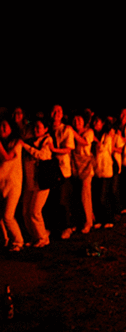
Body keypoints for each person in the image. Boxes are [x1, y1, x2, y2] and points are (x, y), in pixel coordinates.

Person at [21, 118, 53, 247]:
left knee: (35, 211)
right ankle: (35, 236)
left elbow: (43, 155)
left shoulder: (47, 140)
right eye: (34, 127)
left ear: (45, 129)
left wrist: (26, 147)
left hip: (42, 181)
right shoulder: (31, 140)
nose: (35, 129)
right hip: (30, 181)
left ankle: (43, 237)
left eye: (39, 127)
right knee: (26, 211)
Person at [49, 105, 76, 240]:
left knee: (63, 200)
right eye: (54, 110)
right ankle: (54, 226)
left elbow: (68, 149)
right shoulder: (47, 128)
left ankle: (67, 226)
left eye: (59, 111)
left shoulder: (66, 129)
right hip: (49, 169)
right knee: (52, 200)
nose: (57, 113)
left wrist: (53, 150)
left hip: (63, 169)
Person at [0, 119, 24, 251]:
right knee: (1, 216)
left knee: (8, 216)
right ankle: (5, 239)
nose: (2, 129)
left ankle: (18, 241)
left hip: (14, 184)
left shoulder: (17, 143)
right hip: (2, 184)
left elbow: (7, 158)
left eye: (5, 126)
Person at [92, 116, 117, 229]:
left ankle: (109, 218)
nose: (96, 123)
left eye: (98, 122)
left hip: (106, 169)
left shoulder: (107, 136)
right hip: (96, 169)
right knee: (97, 196)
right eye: (95, 121)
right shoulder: (94, 135)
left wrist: (95, 141)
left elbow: (102, 148)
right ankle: (100, 219)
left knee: (103, 196)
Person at [71, 115, 95, 234]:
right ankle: (81, 219)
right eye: (75, 120)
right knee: (76, 195)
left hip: (86, 166)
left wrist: (72, 132)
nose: (77, 121)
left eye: (79, 119)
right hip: (75, 165)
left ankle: (88, 222)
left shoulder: (89, 132)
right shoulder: (72, 132)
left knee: (85, 194)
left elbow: (85, 142)